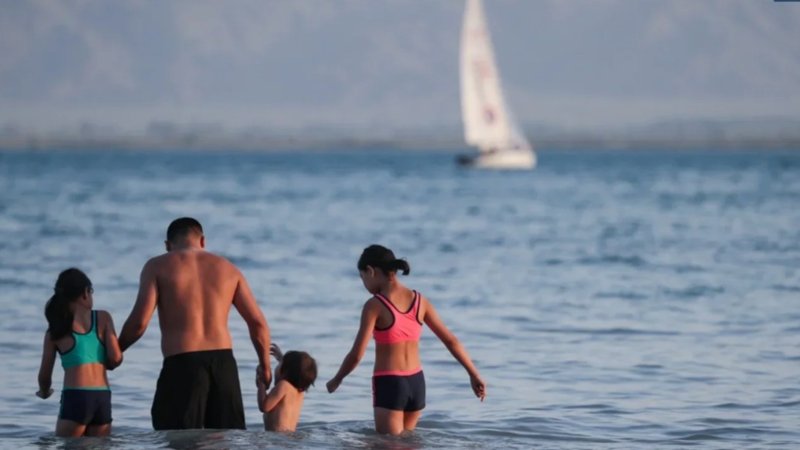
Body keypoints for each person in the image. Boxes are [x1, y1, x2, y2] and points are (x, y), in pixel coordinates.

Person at [118, 217, 271, 430]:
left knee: (179, 438)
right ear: (203, 241)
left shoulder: (157, 266)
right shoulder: (229, 269)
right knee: (224, 440)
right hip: (224, 366)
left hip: (183, 365)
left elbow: (139, 323)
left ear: (167, 245)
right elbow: (258, 323)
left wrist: (116, 350)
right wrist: (265, 366)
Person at [326, 245, 486, 435]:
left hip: (390, 383)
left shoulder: (374, 305)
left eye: (362, 277)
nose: (364, 284)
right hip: (417, 383)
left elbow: (357, 354)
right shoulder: (420, 300)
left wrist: (337, 379)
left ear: (370, 271)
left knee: (387, 445)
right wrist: (473, 374)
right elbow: (451, 340)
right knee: (407, 444)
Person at [36, 268, 123, 437]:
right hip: (102, 397)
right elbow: (116, 358)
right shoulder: (103, 318)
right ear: (85, 293)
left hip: (76, 396)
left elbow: (45, 375)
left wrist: (44, 391)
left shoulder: (56, 330)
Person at [256, 343, 317, 432]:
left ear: (285, 372)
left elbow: (264, 406)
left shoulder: (284, 386)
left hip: (277, 437)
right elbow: (295, 370)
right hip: (289, 437)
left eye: (280, 364)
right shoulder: (298, 393)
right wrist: (281, 358)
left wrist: (261, 381)